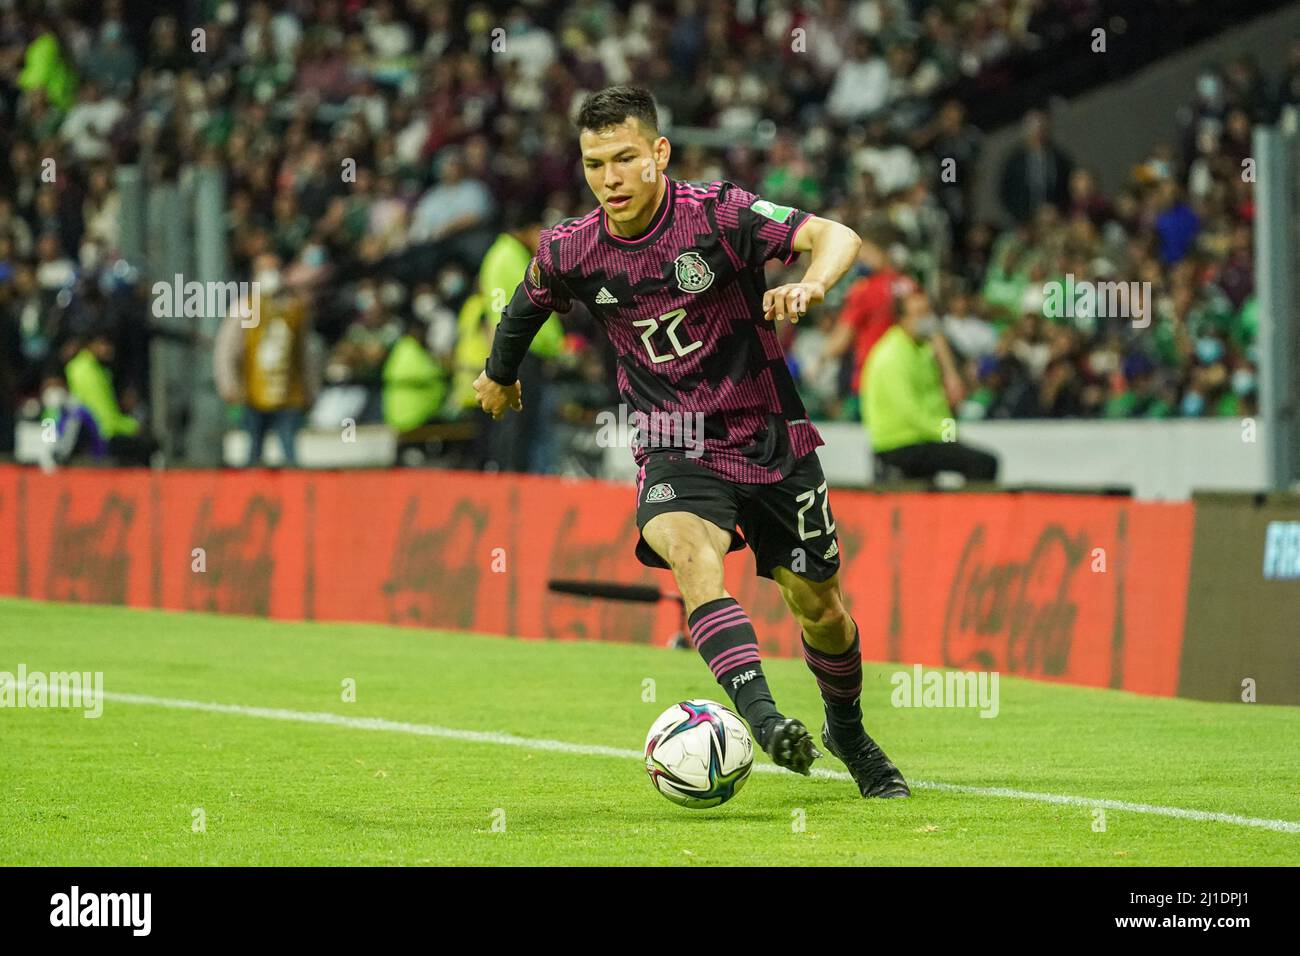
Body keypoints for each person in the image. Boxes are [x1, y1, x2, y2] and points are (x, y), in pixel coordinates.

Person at [474, 86, 909, 798]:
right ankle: (766, 722)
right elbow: (528, 301)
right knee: (688, 553)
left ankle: (847, 728)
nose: (609, 179)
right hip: (673, 440)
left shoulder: (717, 214)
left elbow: (837, 236)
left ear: (658, 153)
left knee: (821, 609)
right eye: (593, 164)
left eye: (623, 159)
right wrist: (498, 375)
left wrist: (811, 284)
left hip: (769, 436)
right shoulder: (574, 248)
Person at [863, 289, 999, 483]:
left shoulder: (922, 350)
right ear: (902, 319)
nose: (926, 319)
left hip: (921, 437)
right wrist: (947, 434)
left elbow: (935, 401)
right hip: (898, 441)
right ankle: (972, 513)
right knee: (983, 464)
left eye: (928, 312)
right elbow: (909, 411)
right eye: (919, 314)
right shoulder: (892, 356)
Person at [214, 254, 317, 466]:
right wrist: (228, 384)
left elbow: (306, 353)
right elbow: (226, 349)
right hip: (253, 393)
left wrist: (311, 389)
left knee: (290, 452)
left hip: (289, 394)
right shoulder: (245, 308)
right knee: (253, 451)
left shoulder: (294, 308)